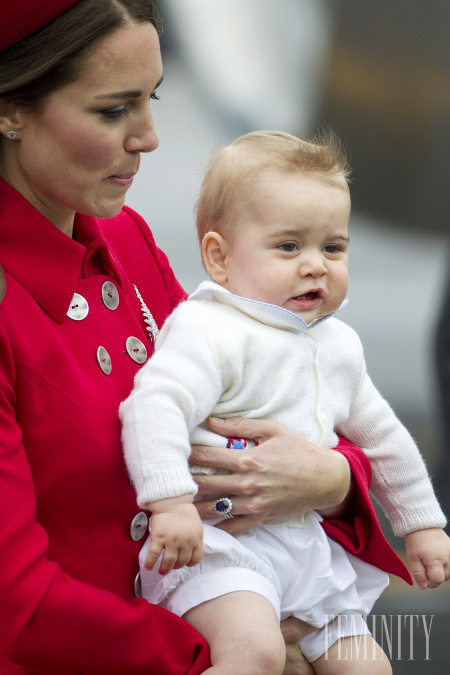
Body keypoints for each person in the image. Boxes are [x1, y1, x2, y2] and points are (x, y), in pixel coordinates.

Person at [0, 2, 384, 674]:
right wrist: (228, 649)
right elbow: (17, 606)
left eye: (152, 99)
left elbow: (270, 387)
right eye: (112, 110)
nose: (149, 136)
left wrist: (332, 478)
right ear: (10, 111)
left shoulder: (125, 239)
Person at [120, 129, 450, 675]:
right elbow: (154, 407)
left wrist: (421, 524)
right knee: (255, 653)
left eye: (333, 247)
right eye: (289, 247)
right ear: (219, 258)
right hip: (222, 547)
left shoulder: (338, 344)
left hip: (310, 549)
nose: (316, 265)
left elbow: (386, 438)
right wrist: (171, 502)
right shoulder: (210, 328)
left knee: (370, 667)